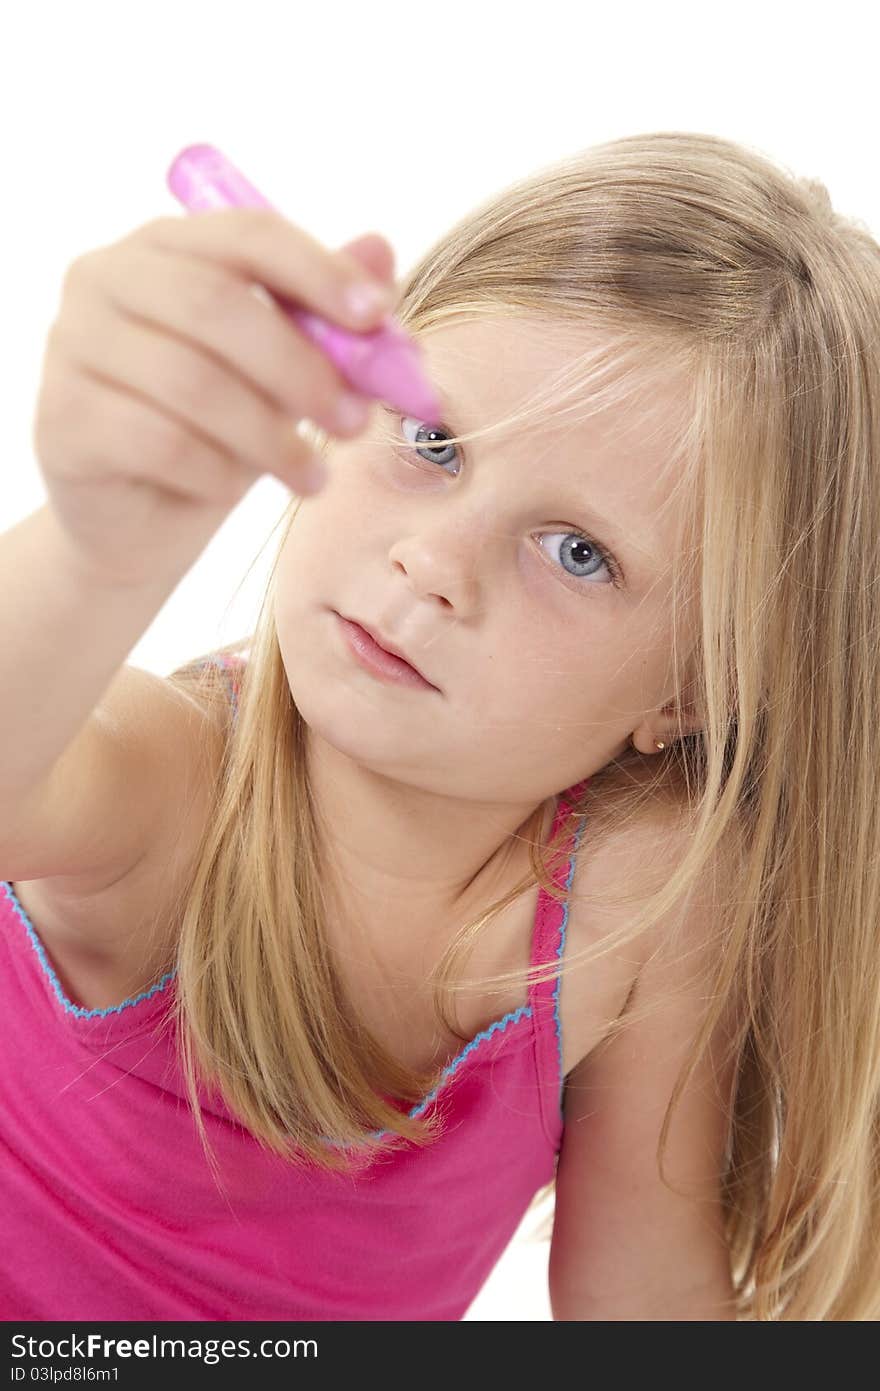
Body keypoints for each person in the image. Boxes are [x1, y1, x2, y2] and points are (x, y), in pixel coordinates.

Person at [1, 130, 876, 1322]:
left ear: (691, 696)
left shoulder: (640, 894)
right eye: (432, 440)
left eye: (576, 553)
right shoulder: (176, 780)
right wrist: (97, 545)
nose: (436, 563)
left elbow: (640, 1284)